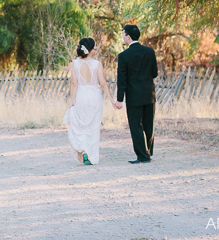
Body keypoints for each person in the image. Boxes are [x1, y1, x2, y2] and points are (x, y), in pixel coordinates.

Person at [63, 37, 118, 165]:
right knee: (93, 127)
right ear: (90, 49)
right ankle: (91, 154)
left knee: (82, 125)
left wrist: (71, 101)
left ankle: (84, 150)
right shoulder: (97, 64)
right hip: (94, 96)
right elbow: (103, 83)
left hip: (81, 95)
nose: (96, 49)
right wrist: (111, 100)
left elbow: (74, 83)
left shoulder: (75, 64)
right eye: (94, 47)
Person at [114, 24, 158, 164]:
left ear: (128, 36)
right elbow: (155, 73)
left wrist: (119, 99)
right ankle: (148, 152)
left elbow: (122, 80)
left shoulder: (123, 56)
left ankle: (142, 156)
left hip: (133, 96)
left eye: (123, 34)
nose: (123, 37)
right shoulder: (149, 52)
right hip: (149, 94)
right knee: (148, 124)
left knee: (135, 125)